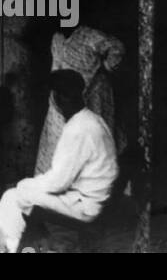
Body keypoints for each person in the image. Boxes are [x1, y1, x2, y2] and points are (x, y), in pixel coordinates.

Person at [0, 70, 117, 253]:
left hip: (85, 205)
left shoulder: (77, 129)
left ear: (58, 98)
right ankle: (40, 247)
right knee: (23, 195)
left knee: (12, 197)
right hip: (96, 196)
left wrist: (25, 184)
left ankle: (7, 250)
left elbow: (58, 182)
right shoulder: (94, 119)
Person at [34, 22, 124, 174]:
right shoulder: (57, 38)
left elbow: (117, 49)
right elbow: (55, 68)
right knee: (58, 144)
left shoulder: (89, 35)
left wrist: (105, 67)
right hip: (63, 98)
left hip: (93, 97)